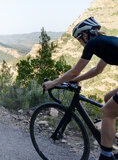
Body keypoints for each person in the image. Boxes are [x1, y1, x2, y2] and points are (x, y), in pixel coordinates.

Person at [43, 17, 118, 160]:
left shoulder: (93, 43)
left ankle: (105, 156)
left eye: (79, 40)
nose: (80, 43)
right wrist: (74, 80)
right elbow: (97, 70)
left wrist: (53, 83)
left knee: (107, 111)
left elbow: (74, 70)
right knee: (108, 99)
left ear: (85, 35)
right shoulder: (107, 41)